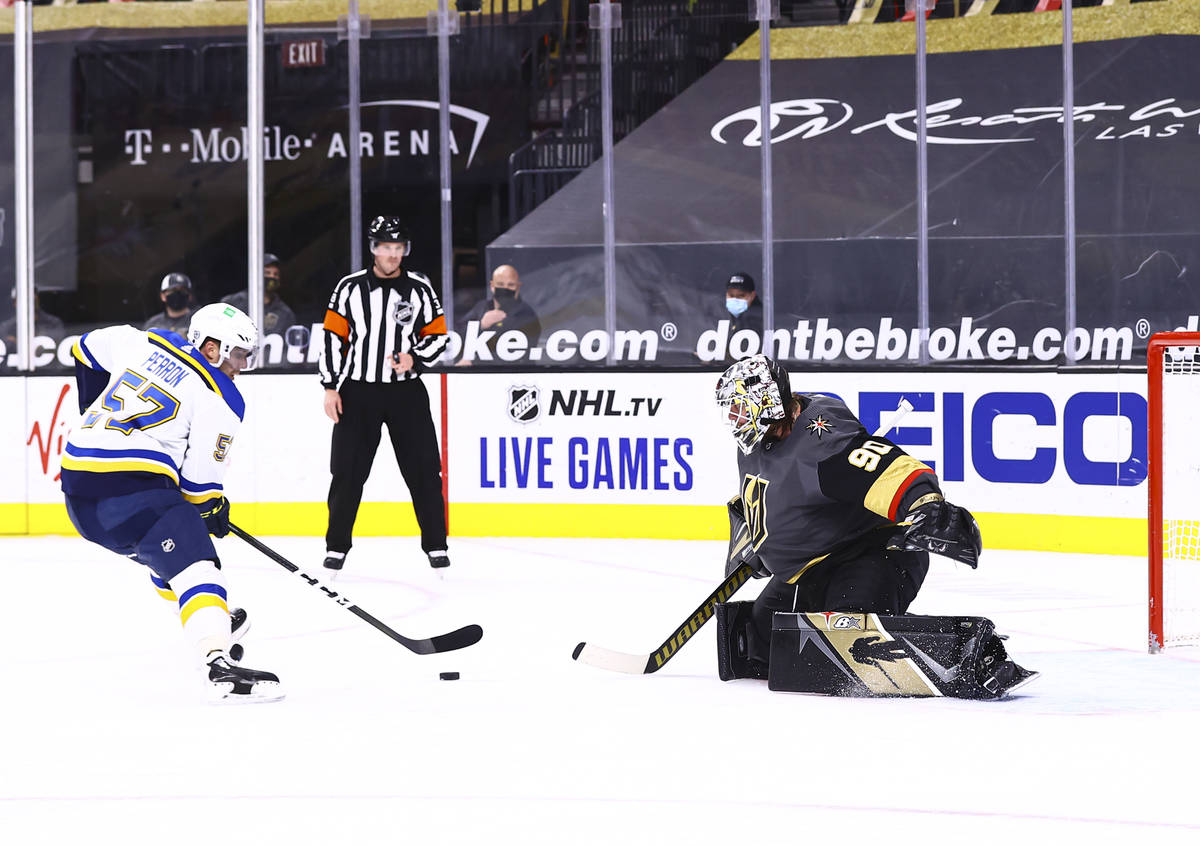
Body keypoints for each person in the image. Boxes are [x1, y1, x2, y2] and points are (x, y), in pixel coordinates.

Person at [712, 354, 1035, 699]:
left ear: (768, 402)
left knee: (847, 644)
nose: (735, 419)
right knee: (762, 648)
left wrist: (927, 506)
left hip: (875, 553)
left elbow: (888, 467)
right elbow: (758, 493)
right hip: (813, 566)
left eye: (741, 408)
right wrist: (754, 541)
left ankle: (973, 657)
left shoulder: (822, 444)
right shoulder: (753, 445)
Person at [61, 303, 283, 703]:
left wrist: (90, 413)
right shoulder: (221, 397)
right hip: (130, 492)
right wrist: (212, 510)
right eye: (237, 355)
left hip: (78, 493)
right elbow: (199, 489)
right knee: (197, 562)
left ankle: (209, 617)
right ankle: (218, 664)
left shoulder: (147, 341)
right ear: (211, 348)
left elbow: (84, 347)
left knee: (168, 548)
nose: (241, 366)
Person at [319, 215, 451, 575]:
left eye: (398, 248)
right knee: (346, 472)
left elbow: (439, 336)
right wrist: (330, 385)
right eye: (386, 248)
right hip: (358, 392)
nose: (393, 255)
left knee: (424, 470)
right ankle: (336, 547)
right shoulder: (349, 289)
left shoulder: (420, 289)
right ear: (374, 249)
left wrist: (415, 357)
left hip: (406, 393)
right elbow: (333, 338)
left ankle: (436, 545)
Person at [456, 264, 541, 365]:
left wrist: (472, 362)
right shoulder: (482, 307)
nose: (505, 289)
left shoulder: (526, 315)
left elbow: (516, 356)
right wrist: (482, 325)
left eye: (510, 285)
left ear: (518, 287)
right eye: (500, 284)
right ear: (492, 286)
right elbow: (457, 334)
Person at [222, 252, 298, 336]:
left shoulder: (285, 314)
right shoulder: (233, 303)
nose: (272, 277)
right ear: (256, 274)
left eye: (275, 274)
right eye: (267, 273)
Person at [0, 285, 65, 351]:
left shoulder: (53, 323)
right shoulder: (6, 327)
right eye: (23, 299)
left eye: (32, 297)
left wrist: (17, 342)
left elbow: (57, 346)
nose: (29, 302)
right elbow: (4, 349)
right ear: (15, 303)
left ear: (37, 299)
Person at [143, 272, 194, 337]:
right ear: (162, 296)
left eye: (183, 290)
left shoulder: (197, 321)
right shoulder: (152, 324)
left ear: (190, 295)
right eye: (173, 290)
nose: (178, 294)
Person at [723, 271, 762, 338]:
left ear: (752, 296)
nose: (735, 300)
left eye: (741, 296)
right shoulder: (718, 316)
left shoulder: (761, 322)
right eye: (731, 295)